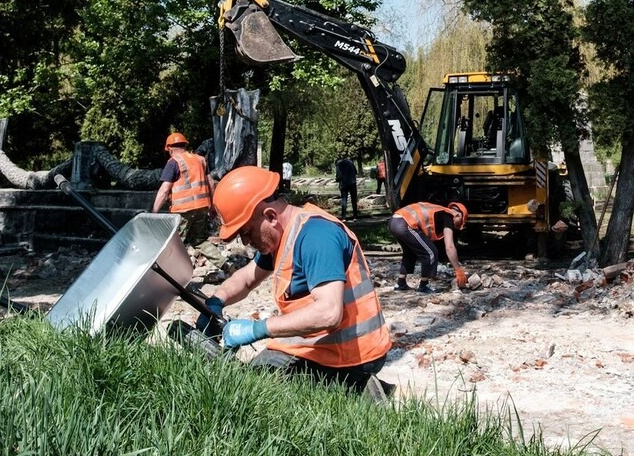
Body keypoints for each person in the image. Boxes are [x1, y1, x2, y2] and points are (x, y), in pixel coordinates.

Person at [196, 165, 391, 396]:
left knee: (259, 389)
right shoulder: (283, 238)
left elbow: (329, 313)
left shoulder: (317, 237)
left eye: (247, 232)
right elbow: (247, 278)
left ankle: (359, 388)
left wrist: (258, 329)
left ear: (270, 216)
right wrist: (216, 301)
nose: (246, 242)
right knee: (257, 374)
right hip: (318, 345)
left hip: (351, 355)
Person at [151, 132, 220, 263]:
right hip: (202, 207)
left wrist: (154, 212)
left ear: (170, 149)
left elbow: (164, 190)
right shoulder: (200, 160)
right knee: (200, 241)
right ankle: (225, 265)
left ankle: (170, 274)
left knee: (173, 245)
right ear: (185, 145)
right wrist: (212, 206)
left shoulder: (173, 162)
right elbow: (210, 182)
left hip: (183, 211)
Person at [387, 201, 469, 293]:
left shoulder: (439, 211)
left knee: (409, 252)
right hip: (404, 223)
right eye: (461, 222)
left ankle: (401, 283)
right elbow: (449, 246)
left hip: (393, 221)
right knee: (431, 252)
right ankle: (424, 285)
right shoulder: (449, 216)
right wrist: (458, 269)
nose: (458, 226)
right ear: (458, 215)